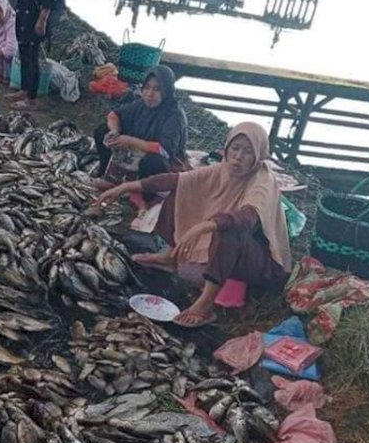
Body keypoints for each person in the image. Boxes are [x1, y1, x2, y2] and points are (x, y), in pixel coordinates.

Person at [96, 122, 292, 328]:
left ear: (259, 155)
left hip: (261, 264)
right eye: (235, 148)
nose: (238, 156)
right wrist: (125, 187)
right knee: (182, 189)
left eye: (248, 151)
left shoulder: (263, 181)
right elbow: (175, 179)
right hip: (230, 252)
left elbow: (247, 218)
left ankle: (205, 305)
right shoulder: (222, 169)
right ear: (226, 148)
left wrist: (204, 226)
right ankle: (171, 256)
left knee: (229, 230)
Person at [93, 65, 188, 186]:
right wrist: (114, 131)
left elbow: (165, 150)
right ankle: (106, 174)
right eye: (147, 88)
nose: (150, 94)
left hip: (164, 160)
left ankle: (145, 195)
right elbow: (114, 114)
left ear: (166, 91)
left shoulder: (174, 115)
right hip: (137, 151)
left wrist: (130, 141)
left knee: (153, 162)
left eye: (157, 89)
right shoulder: (140, 104)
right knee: (102, 132)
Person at [7, 0, 58, 109]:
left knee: (32, 58)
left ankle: (31, 99)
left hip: (34, 16)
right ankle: (24, 90)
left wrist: (42, 20)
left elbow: (49, 2)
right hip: (23, 12)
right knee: (23, 54)